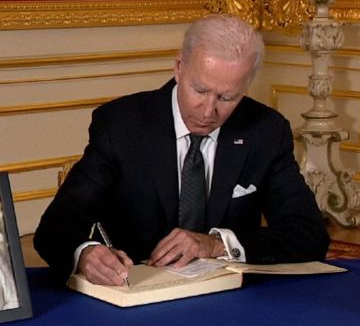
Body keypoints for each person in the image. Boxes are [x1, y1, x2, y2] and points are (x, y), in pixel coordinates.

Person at [34, 14, 330, 286]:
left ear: (246, 86)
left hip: (228, 300)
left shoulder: (266, 130)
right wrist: (85, 253)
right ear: (179, 68)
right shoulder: (121, 125)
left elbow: (309, 234)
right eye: (200, 90)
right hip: (136, 296)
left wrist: (216, 244)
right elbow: (55, 228)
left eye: (227, 97)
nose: (209, 111)